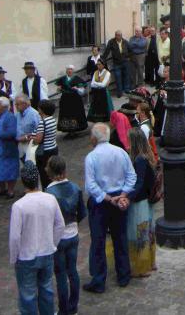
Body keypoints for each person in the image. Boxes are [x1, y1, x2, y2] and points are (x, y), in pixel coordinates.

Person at [83, 123, 136, 293]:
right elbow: (131, 176)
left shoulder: (91, 157)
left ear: (94, 138)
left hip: (101, 202)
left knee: (98, 241)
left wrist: (107, 198)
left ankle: (99, 280)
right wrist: (123, 194)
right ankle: (123, 275)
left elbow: (91, 185)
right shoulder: (120, 152)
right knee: (120, 238)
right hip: (118, 197)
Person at [9, 162, 65, 315]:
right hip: (46, 252)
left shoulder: (19, 206)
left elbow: (14, 237)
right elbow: (60, 225)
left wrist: (14, 257)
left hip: (26, 256)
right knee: (46, 289)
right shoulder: (50, 199)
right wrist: (52, 243)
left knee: (27, 295)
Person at [45, 156, 86, 315]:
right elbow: (82, 213)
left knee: (61, 275)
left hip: (58, 237)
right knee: (72, 271)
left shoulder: (49, 193)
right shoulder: (75, 188)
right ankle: (73, 306)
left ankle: (64, 310)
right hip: (73, 234)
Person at [123, 128, 157, 278]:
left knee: (139, 234)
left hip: (140, 202)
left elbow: (139, 182)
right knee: (148, 231)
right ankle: (151, 261)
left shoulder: (139, 160)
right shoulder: (146, 157)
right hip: (147, 200)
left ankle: (141, 267)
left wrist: (127, 197)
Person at [0, 97, 19, 198]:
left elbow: (12, 133)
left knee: (10, 170)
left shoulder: (10, 117)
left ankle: (10, 190)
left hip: (7, 149)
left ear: (4, 107)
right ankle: (1, 188)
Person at [33, 100, 58, 191]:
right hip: (53, 147)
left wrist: (32, 139)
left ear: (42, 110)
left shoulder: (42, 122)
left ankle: (47, 190)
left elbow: (38, 139)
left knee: (44, 174)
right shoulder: (52, 119)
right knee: (54, 170)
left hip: (44, 151)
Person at [57, 65, 87, 135]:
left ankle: (75, 129)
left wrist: (77, 88)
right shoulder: (62, 79)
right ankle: (68, 129)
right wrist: (59, 89)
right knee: (66, 114)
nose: (69, 71)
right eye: (68, 69)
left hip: (75, 99)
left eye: (71, 69)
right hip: (65, 99)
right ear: (66, 71)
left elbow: (82, 89)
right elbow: (58, 89)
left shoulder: (77, 78)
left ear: (73, 71)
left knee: (75, 113)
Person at [103, 30, 131, 98]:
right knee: (118, 78)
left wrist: (129, 57)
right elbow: (107, 51)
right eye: (116, 35)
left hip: (125, 62)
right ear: (115, 35)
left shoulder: (125, 42)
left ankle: (126, 89)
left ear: (121, 36)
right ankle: (119, 92)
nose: (117, 36)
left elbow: (130, 50)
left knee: (126, 76)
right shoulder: (111, 42)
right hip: (116, 63)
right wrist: (103, 59)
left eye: (119, 35)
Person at [15, 94, 41, 163]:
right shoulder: (17, 114)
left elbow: (40, 131)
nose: (16, 106)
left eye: (17, 104)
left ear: (25, 104)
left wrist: (26, 137)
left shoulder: (34, 114)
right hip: (20, 145)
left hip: (31, 144)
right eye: (15, 104)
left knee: (32, 165)